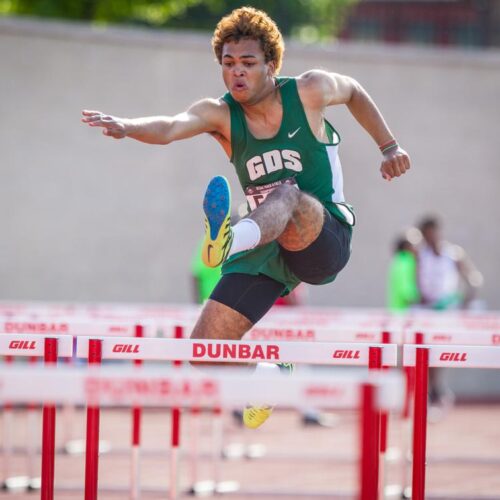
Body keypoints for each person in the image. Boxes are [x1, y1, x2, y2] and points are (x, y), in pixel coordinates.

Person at [82, 7, 411, 428]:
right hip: (267, 245)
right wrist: (127, 125)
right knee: (205, 348)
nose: (237, 73)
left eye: (248, 64)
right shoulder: (220, 114)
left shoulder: (308, 90)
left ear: (271, 66)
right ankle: (268, 378)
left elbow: (354, 91)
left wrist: (389, 147)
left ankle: (227, 241)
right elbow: (169, 126)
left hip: (322, 236)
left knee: (288, 193)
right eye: (228, 64)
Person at [416, 215, 483, 413]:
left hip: (447, 312)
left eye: (432, 232)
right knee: (423, 353)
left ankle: (436, 391)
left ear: (437, 232)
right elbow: (414, 282)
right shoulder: (420, 255)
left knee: (438, 354)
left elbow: (474, 278)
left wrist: (466, 301)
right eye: (426, 234)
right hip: (426, 312)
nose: (430, 237)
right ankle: (431, 392)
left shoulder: (453, 254)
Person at [387, 234, 420, 312]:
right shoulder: (407, 261)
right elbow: (404, 284)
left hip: (395, 306)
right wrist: (411, 297)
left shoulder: (397, 260)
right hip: (404, 309)